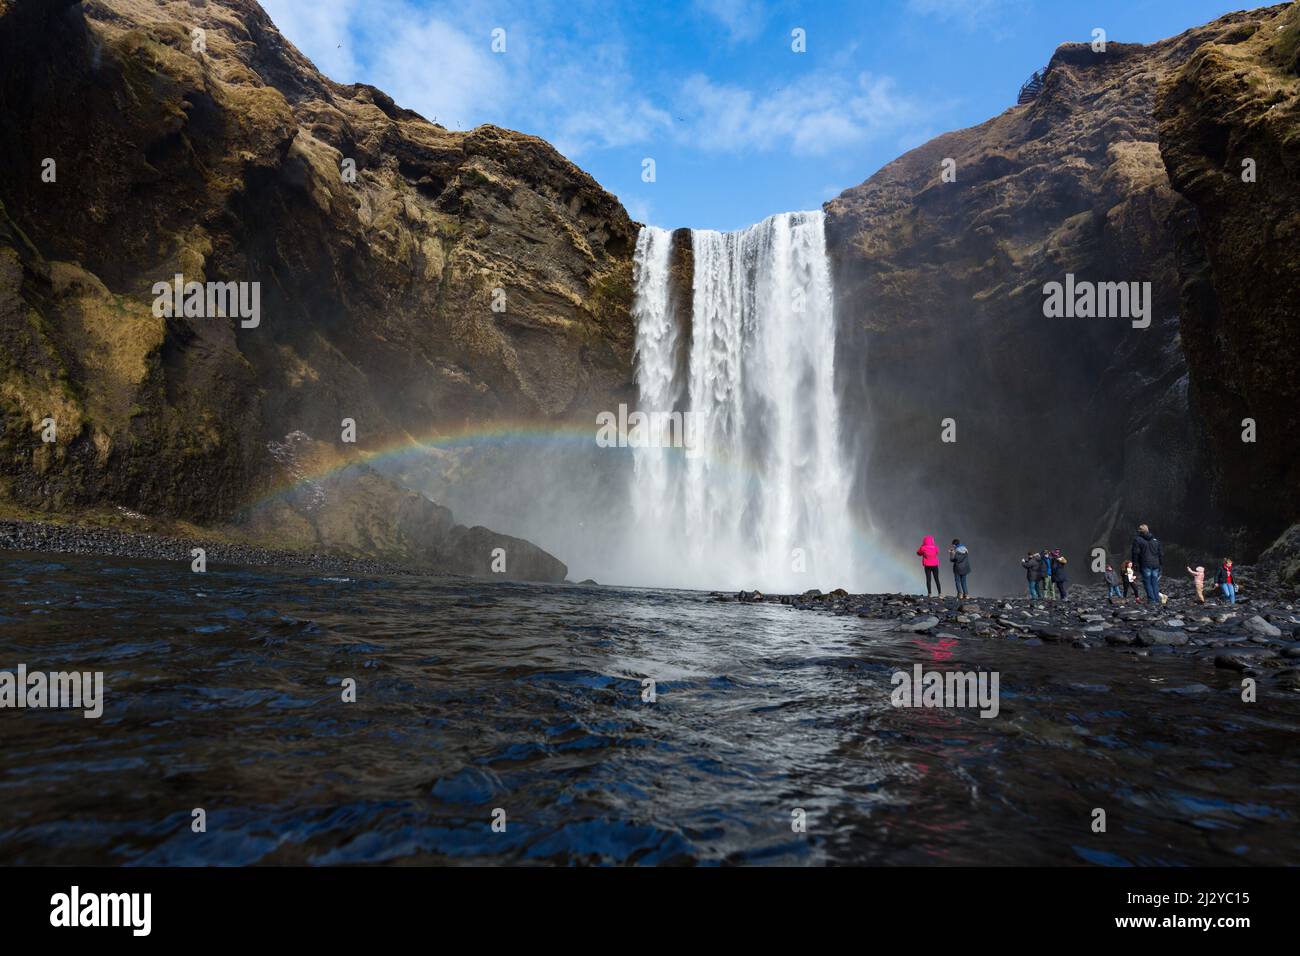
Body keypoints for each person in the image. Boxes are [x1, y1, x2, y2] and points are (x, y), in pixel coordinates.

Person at [1130, 523, 1163, 603]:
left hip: (1145, 564)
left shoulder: (1138, 540)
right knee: (1154, 582)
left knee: (1147, 582)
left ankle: (1152, 600)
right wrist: (1160, 564)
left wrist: (1135, 564)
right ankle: (1157, 600)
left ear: (1140, 531)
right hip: (1156, 564)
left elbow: (1135, 552)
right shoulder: (1155, 540)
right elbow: (1160, 553)